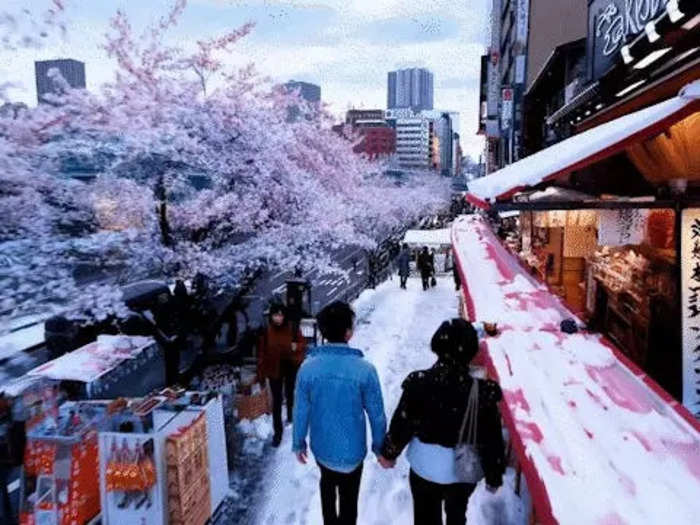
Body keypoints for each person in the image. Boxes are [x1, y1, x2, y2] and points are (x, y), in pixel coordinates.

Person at [381, 319, 505, 525]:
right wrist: (494, 474)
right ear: (471, 351)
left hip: (424, 468)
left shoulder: (419, 383)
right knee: (457, 514)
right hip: (462, 471)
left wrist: (389, 454)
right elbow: (491, 437)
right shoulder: (481, 392)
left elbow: (402, 425)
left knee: (425, 516)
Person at [293, 301, 388, 525]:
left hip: (322, 448)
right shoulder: (365, 370)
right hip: (353, 452)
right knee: (349, 500)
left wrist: (299, 443)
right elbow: (377, 414)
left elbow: (300, 411)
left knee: (327, 487)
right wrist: (379, 447)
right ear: (349, 333)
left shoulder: (308, 368)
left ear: (323, 332)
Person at [257, 303, 306, 447]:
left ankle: (291, 418)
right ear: (271, 316)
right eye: (275, 315)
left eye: (280, 315)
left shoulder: (292, 328)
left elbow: (302, 343)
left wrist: (296, 346)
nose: (278, 318)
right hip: (274, 369)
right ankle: (277, 432)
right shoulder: (266, 332)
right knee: (277, 401)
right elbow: (262, 353)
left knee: (290, 393)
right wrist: (261, 373)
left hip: (290, 366)